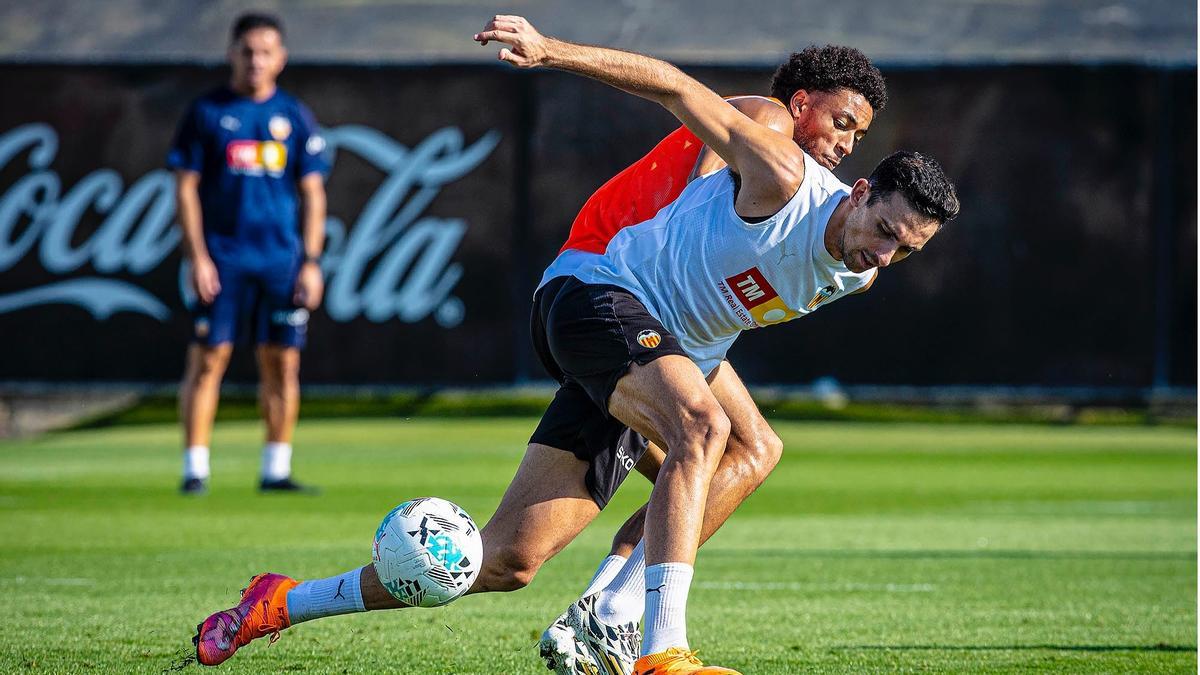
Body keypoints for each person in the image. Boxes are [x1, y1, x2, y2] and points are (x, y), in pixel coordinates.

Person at [192, 16, 958, 675]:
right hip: (595, 296)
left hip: (656, 342)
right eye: (886, 231)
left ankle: (281, 603)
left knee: (506, 559)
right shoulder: (782, 162)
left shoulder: (858, 273)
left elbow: (718, 314)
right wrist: (550, 49)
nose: (886, 254)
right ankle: (662, 647)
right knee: (705, 429)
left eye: (906, 250)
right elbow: (674, 87)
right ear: (861, 195)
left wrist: (671, 455)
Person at [535, 45, 887, 675]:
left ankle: (609, 602)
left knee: (753, 449)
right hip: (610, 286)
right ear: (803, 104)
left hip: (663, 320)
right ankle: (651, 639)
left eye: (859, 136)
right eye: (842, 123)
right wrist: (548, 50)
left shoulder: (829, 214)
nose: (847, 144)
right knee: (702, 433)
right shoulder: (772, 123)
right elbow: (683, 119)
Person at [169, 12, 329, 495]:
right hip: (222, 258)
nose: (255, 60)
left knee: (281, 362)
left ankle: (275, 468)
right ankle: (195, 468)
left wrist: (312, 261)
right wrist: (197, 256)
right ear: (231, 54)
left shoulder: (294, 116)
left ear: (280, 58)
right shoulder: (207, 113)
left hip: (280, 260)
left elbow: (314, 193)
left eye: (265, 52)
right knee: (210, 357)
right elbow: (185, 189)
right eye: (247, 51)